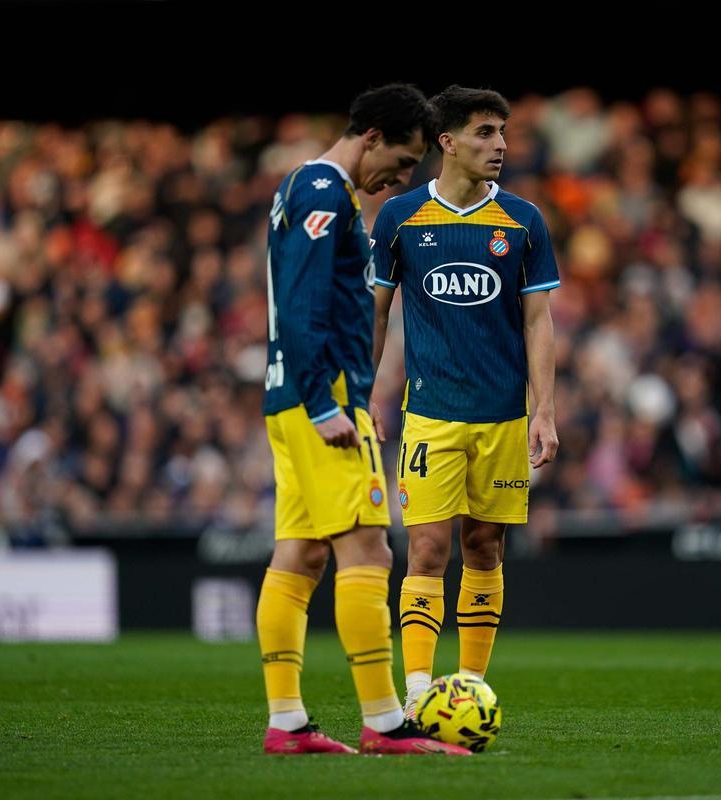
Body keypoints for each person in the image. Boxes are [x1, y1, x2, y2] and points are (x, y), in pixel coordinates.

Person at [259, 84, 468, 755]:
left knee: (301, 551)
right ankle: (385, 723)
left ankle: (287, 722)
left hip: (289, 395)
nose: (401, 180)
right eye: (403, 163)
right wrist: (326, 402)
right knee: (368, 549)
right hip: (316, 396)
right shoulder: (324, 189)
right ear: (371, 135)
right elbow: (301, 303)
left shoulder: (314, 188)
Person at [370, 86, 560, 717]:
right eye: (484, 132)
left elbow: (539, 322)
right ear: (447, 142)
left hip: (503, 417)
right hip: (430, 416)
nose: (500, 144)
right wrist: (369, 395)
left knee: (485, 547)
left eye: (502, 132)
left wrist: (546, 410)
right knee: (426, 548)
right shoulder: (400, 219)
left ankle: (471, 687)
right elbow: (376, 313)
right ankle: (420, 693)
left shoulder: (524, 221)